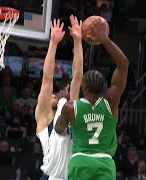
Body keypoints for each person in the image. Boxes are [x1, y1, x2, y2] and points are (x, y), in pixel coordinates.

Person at [55, 17, 129, 180]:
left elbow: (58, 128)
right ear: (104, 87)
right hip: (105, 163)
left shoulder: (70, 108)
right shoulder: (110, 102)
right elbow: (123, 65)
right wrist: (105, 40)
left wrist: (63, 124)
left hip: (80, 162)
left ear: (84, 88)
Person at [35, 15, 84, 180]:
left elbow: (77, 78)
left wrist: (78, 42)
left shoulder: (71, 111)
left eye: (57, 93)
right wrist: (53, 43)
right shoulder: (44, 117)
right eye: (52, 94)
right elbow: (47, 78)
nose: (54, 94)